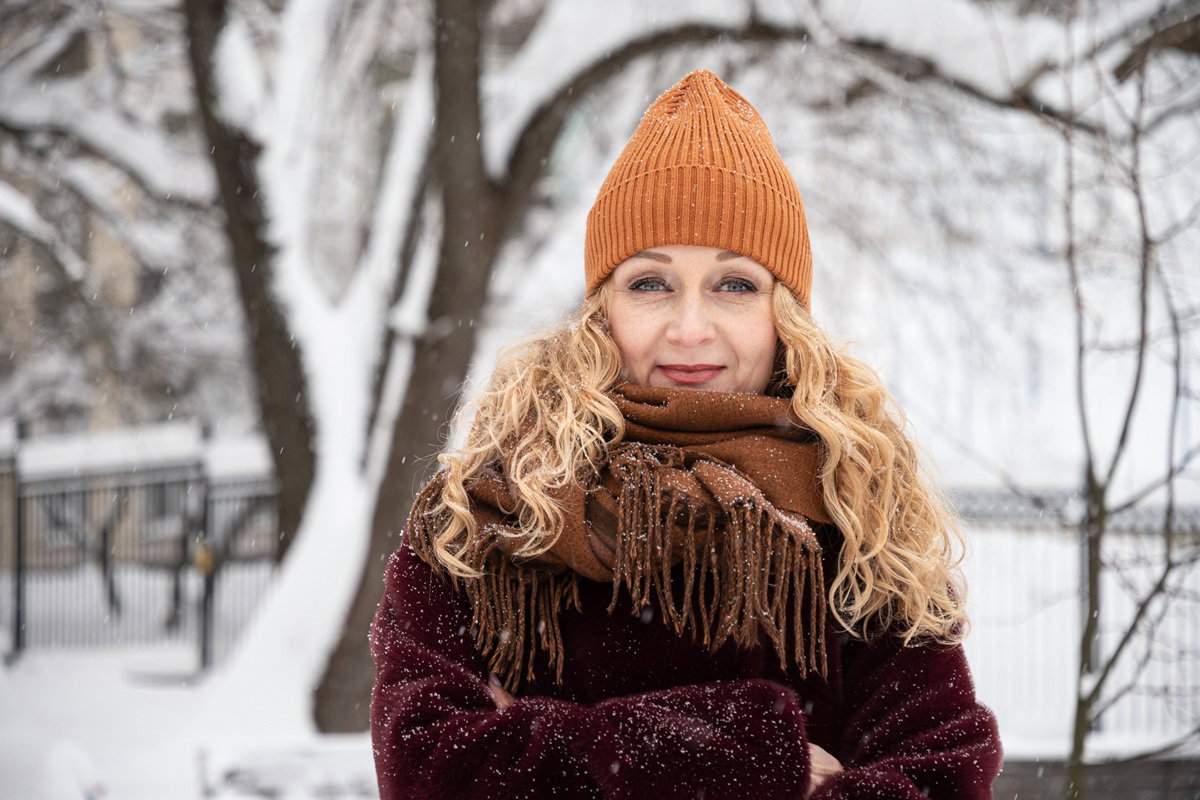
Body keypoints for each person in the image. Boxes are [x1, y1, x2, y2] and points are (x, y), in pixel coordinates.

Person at [369, 69, 1002, 799]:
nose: (690, 328)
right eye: (650, 283)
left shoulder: (860, 513)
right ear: (602, 309)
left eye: (735, 285)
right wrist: (754, 756)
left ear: (782, 312)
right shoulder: (484, 516)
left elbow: (944, 779)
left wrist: (548, 747)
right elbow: (430, 771)